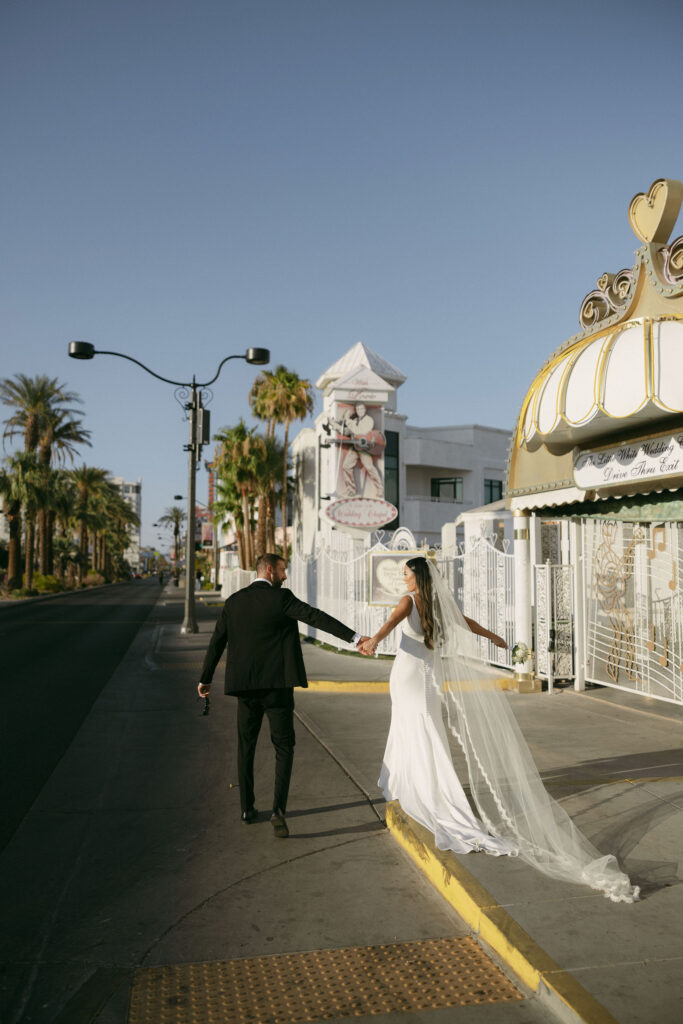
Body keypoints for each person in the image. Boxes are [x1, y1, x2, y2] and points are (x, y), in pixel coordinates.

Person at [360, 556, 639, 903]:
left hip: (407, 675)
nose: (403, 579)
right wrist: (495, 638)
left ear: (418, 577)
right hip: (427, 679)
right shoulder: (436, 604)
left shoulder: (409, 602)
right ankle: (420, 784)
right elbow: (468, 623)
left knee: (414, 727)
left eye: (406, 573)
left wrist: (374, 640)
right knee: (426, 730)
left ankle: (421, 789)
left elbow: (391, 622)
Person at [198, 552, 370, 838]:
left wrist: (205, 679)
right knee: (284, 747)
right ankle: (278, 810)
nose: (286, 575)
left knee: (246, 747)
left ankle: (246, 809)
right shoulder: (282, 599)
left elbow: (217, 641)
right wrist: (354, 638)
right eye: (282, 570)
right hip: (278, 687)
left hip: (245, 688)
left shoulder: (234, 602)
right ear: (269, 570)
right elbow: (315, 616)